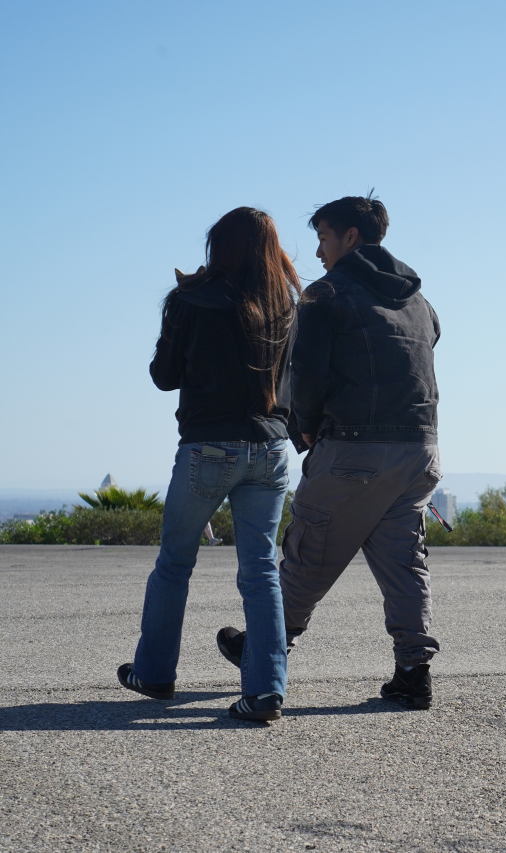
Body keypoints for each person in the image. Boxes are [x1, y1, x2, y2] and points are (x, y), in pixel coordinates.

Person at [217, 194, 442, 710]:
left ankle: (264, 651)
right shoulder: (419, 301)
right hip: (420, 449)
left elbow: (307, 371)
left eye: (323, 238)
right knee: (404, 563)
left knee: (307, 554)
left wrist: (305, 429)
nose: (318, 252)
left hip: (353, 449)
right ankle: (414, 673)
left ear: (350, 237)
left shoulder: (326, 295)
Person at [118, 207, 299, 723]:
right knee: (261, 571)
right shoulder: (287, 305)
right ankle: (266, 691)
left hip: (207, 447)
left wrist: (177, 310)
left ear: (217, 248)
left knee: (175, 563)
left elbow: (164, 376)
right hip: (271, 447)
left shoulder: (190, 300)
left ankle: (154, 673)